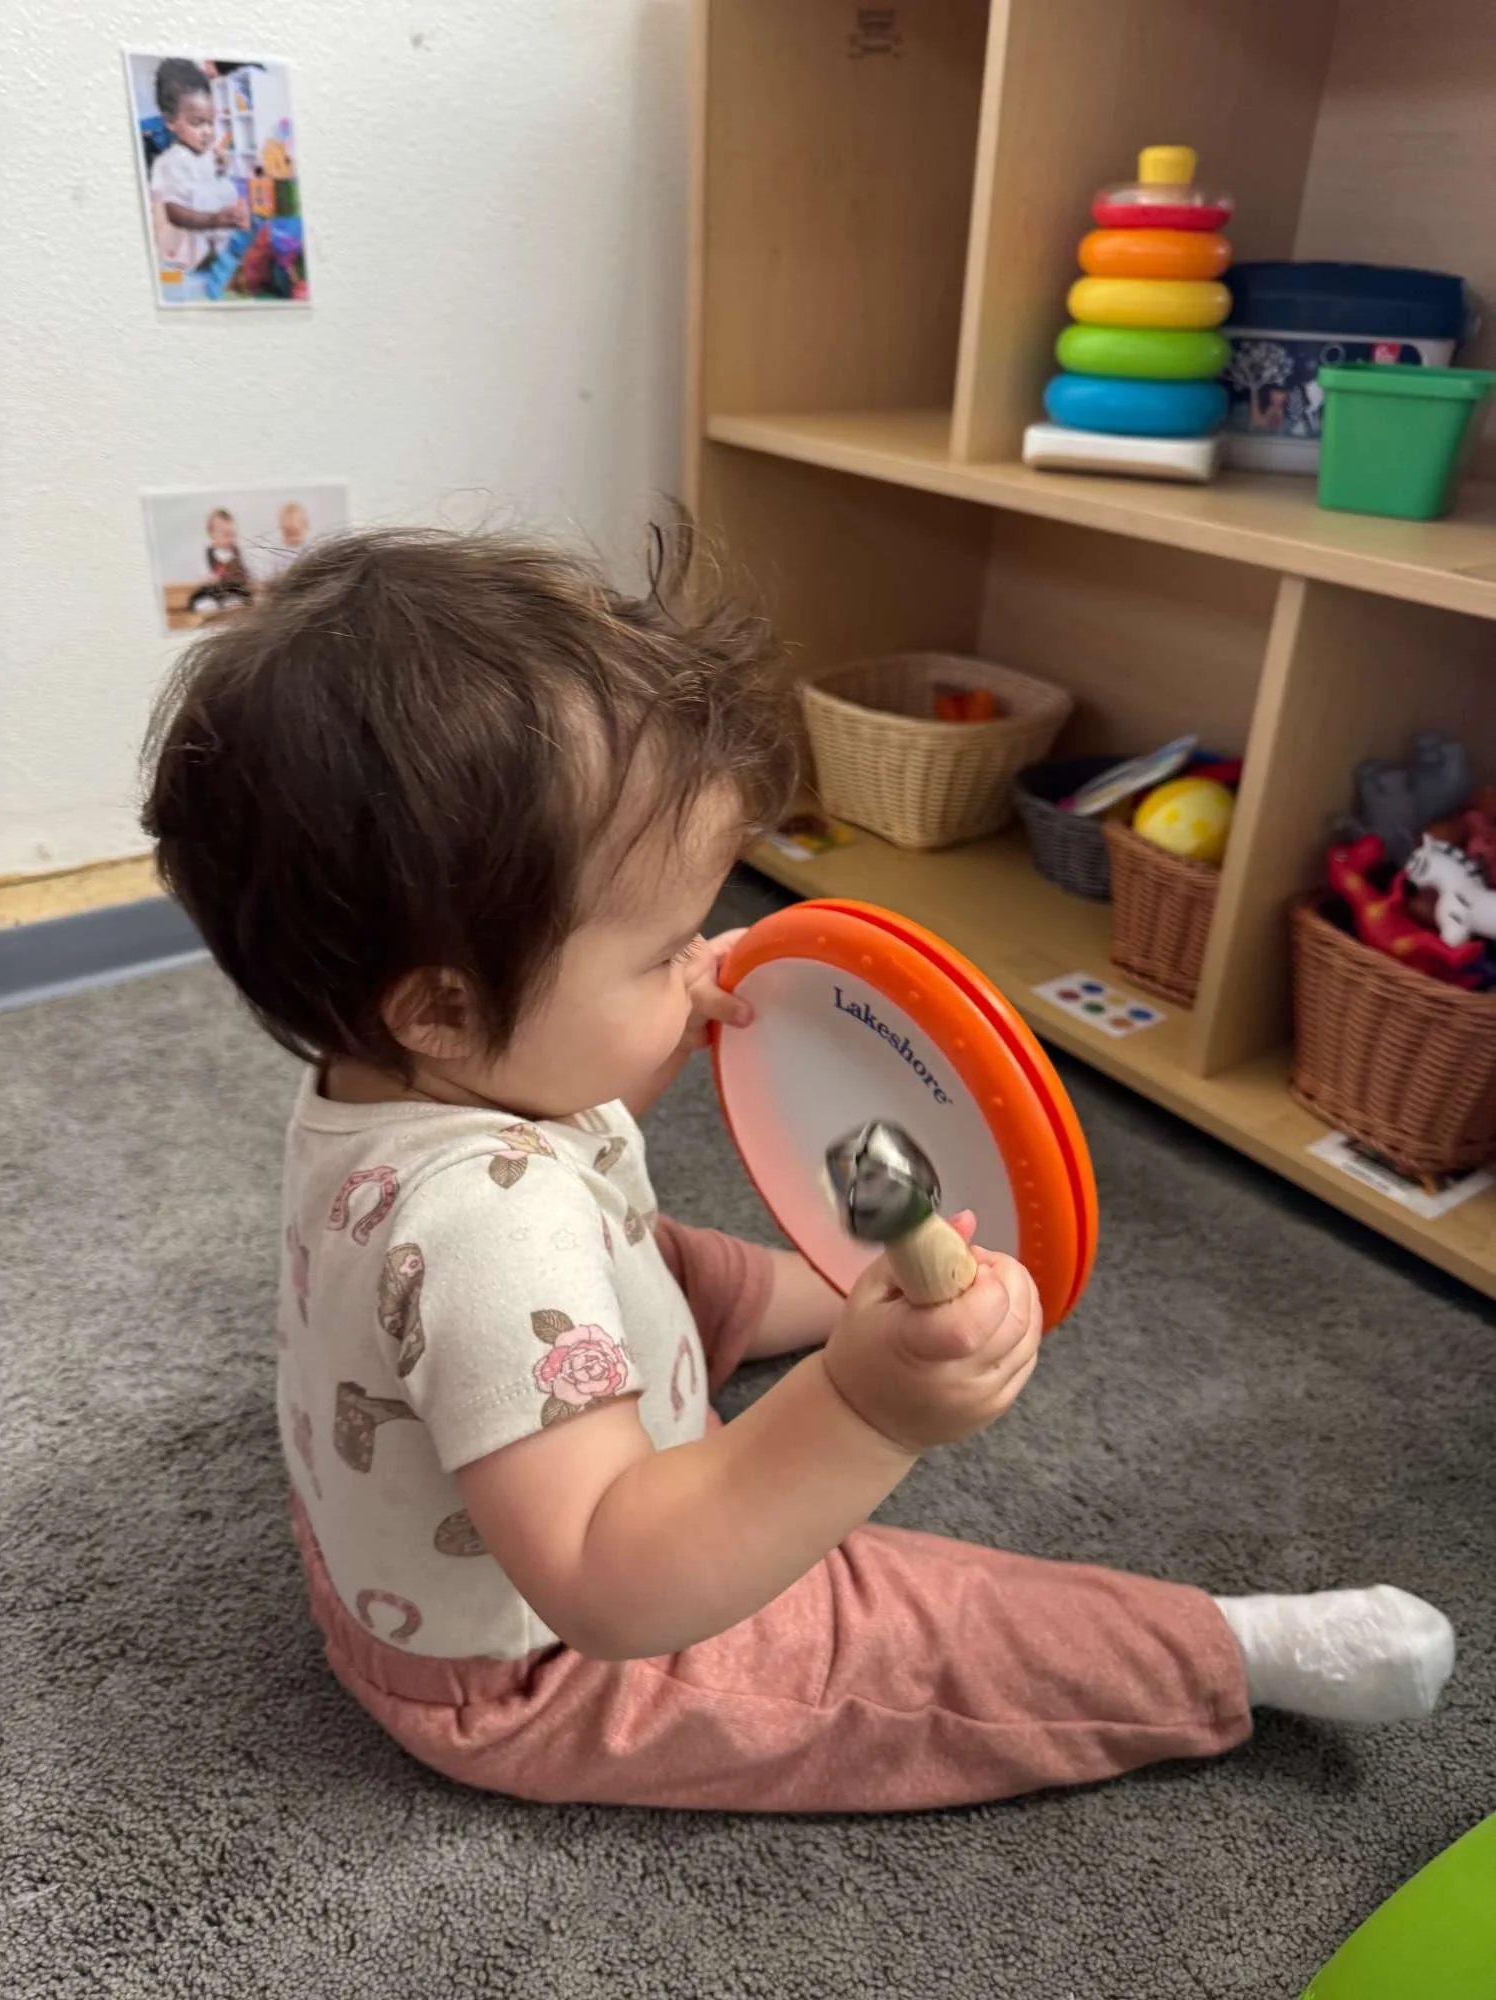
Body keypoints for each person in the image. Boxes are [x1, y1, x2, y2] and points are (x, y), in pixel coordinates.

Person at [141, 527, 1455, 1812]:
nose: (714, 956)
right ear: (441, 1009)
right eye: (664, 950)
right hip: (541, 1659)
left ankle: (847, 1281)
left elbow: (583, 1168)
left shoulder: (402, 1079)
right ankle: (1227, 1649)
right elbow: (615, 1580)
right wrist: (869, 1409)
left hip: (441, 1467)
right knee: (908, 1639)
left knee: (671, 1264)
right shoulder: (493, 1228)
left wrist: (688, 1032)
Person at [148, 58, 248, 276]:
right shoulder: (169, 163)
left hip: (207, 252)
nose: (208, 131)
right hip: (183, 261)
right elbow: (175, 213)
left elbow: (209, 184)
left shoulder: (206, 152)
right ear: (171, 122)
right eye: (197, 123)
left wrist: (221, 168)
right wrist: (214, 219)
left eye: (211, 122)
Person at [184, 507, 252, 619]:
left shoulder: (239, 555)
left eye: (232, 534)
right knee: (205, 606)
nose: (229, 539)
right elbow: (200, 577)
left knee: (234, 605)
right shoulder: (205, 556)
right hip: (210, 593)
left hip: (234, 592)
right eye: (225, 535)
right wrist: (208, 579)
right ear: (212, 535)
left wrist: (239, 576)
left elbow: (247, 575)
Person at [251, 501, 313, 586]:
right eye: (288, 533)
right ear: (281, 530)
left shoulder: (310, 551)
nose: (292, 538)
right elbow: (267, 574)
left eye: (296, 533)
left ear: (306, 527)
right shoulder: (277, 554)